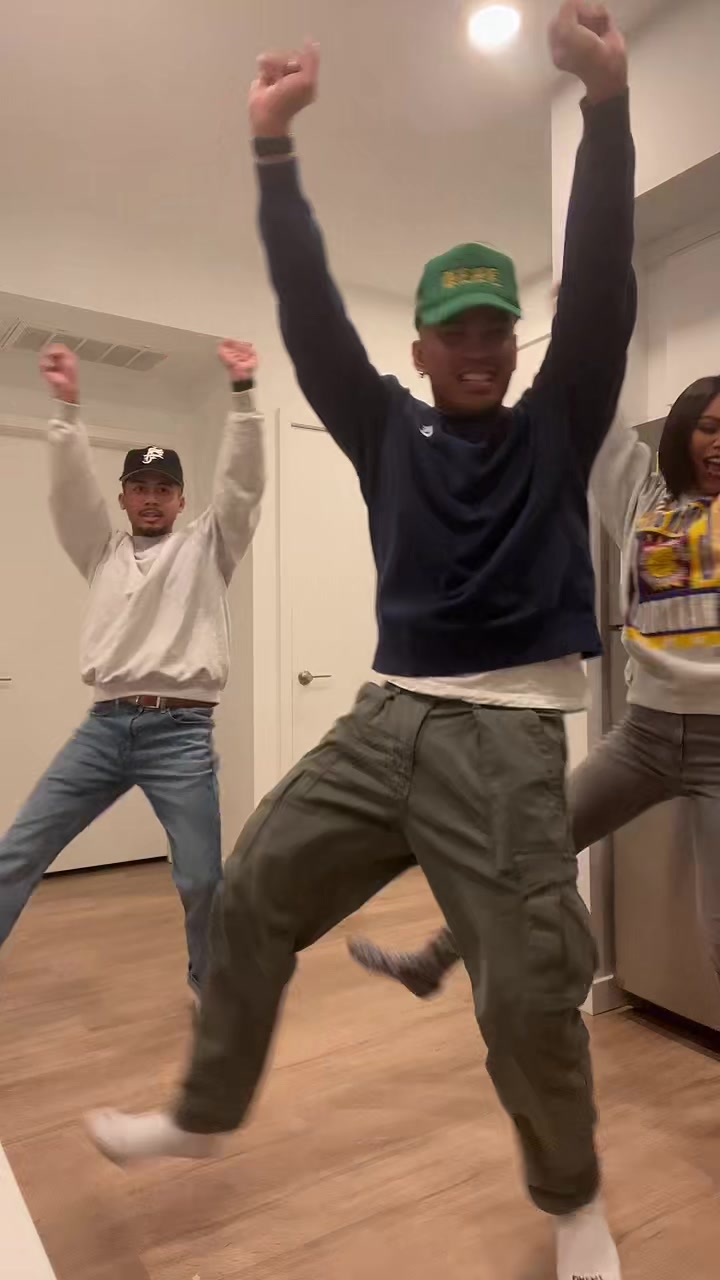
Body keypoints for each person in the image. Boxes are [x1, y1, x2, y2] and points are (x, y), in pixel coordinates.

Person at [88, 4, 634, 1277]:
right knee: (250, 891)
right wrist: (273, 148)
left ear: (514, 343)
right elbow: (309, 310)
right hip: (384, 722)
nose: (481, 347)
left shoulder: (558, 423)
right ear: (423, 348)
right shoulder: (387, 427)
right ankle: (205, 1110)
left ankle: (574, 1204)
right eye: (459, 331)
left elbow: (604, 285)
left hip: (506, 744)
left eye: (497, 328)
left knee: (527, 990)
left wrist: (607, 107)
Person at [350, 373, 720, 1002]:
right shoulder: (642, 496)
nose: (719, 442)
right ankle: (433, 960)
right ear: (684, 430)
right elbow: (595, 402)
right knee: (531, 848)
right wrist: (581, 323)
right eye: (709, 427)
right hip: (646, 735)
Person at [0, 340, 264, 996]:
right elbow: (69, 494)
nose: (151, 499)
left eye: (163, 489)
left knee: (201, 878)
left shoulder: (209, 547)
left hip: (182, 737)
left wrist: (243, 397)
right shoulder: (102, 552)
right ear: (122, 498)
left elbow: (242, 486)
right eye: (140, 488)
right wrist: (66, 410)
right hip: (104, 730)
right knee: (18, 852)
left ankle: (209, 985)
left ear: (181, 499)